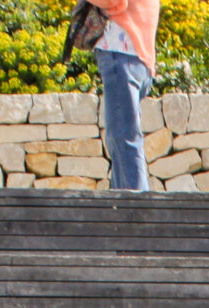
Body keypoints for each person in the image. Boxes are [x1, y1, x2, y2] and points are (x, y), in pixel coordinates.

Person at [85, 0, 159, 190]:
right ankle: (121, 212)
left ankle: (136, 213)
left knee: (123, 139)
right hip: (139, 55)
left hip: (120, 52)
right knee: (122, 139)